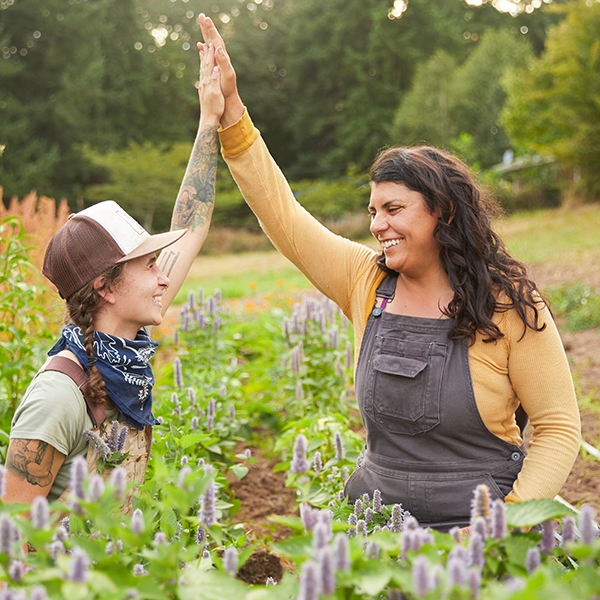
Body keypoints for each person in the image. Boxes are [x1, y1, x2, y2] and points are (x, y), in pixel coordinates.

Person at [197, 15, 581, 532]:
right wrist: (232, 113)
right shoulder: (366, 280)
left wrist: (502, 530)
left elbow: (558, 429)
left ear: (442, 210)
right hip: (377, 522)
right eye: (373, 211)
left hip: (479, 526)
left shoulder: (509, 302)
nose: (378, 225)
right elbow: (283, 216)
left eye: (394, 209)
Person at [2, 45, 225, 510]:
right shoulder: (59, 397)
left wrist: (208, 120)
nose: (163, 277)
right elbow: (11, 544)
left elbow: (193, 224)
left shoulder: (125, 350)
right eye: (148, 266)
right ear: (104, 287)